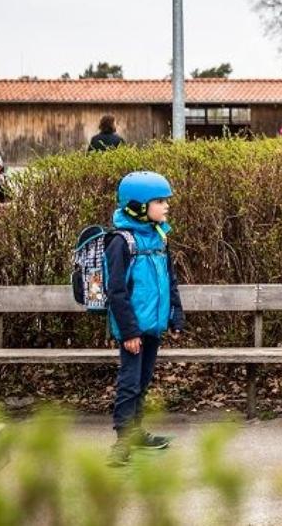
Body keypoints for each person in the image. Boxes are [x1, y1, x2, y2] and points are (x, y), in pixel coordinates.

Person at [106, 171, 185, 466]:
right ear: (138, 206)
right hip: (133, 329)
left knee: (143, 379)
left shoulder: (160, 236)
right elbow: (116, 291)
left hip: (153, 325)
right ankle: (122, 441)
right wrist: (128, 332)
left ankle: (136, 431)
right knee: (129, 382)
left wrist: (176, 316)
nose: (166, 206)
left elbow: (170, 279)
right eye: (160, 201)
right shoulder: (122, 241)